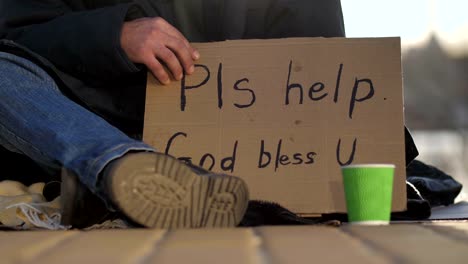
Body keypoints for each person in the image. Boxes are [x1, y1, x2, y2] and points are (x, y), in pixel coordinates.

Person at [0, 0, 347, 228]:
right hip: (78, 122)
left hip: (235, 154)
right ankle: (118, 168)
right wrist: (114, 34)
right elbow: (16, 32)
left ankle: (111, 183)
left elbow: (323, 71)